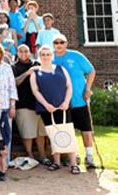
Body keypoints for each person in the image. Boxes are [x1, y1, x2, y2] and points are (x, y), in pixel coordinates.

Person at [31, 45, 79, 174]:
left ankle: (73, 163)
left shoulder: (61, 69)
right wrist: (46, 105)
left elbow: (69, 86)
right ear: (39, 56)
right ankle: (56, 162)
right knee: (53, 135)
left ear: (52, 56)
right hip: (47, 109)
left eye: (48, 54)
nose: (45, 56)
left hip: (63, 107)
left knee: (68, 133)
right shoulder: (35, 73)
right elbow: (35, 91)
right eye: (43, 54)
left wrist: (66, 102)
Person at [52, 34, 96, 168]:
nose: (59, 45)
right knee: (68, 129)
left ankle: (89, 156)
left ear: (66, 43)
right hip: (62, 102)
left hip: (79, 99)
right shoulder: (50, 58)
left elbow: (91, 71)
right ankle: (73, 155)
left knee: (86, 129)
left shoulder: (76, 56)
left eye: (61, 42)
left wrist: (88, 89)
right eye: (56, 42)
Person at [12, 44, 49, 164]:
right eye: (21, 51)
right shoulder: (14, 67)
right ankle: (30, 155)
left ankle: (43, 155)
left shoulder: (37, 64)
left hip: (39, 104)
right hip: (23, 104)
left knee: (40, 132)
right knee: (27, 132)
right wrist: (27, 73)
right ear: (17, 53)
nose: (24, 53)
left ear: (30, 52)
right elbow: (14, 83)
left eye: (26, 51)